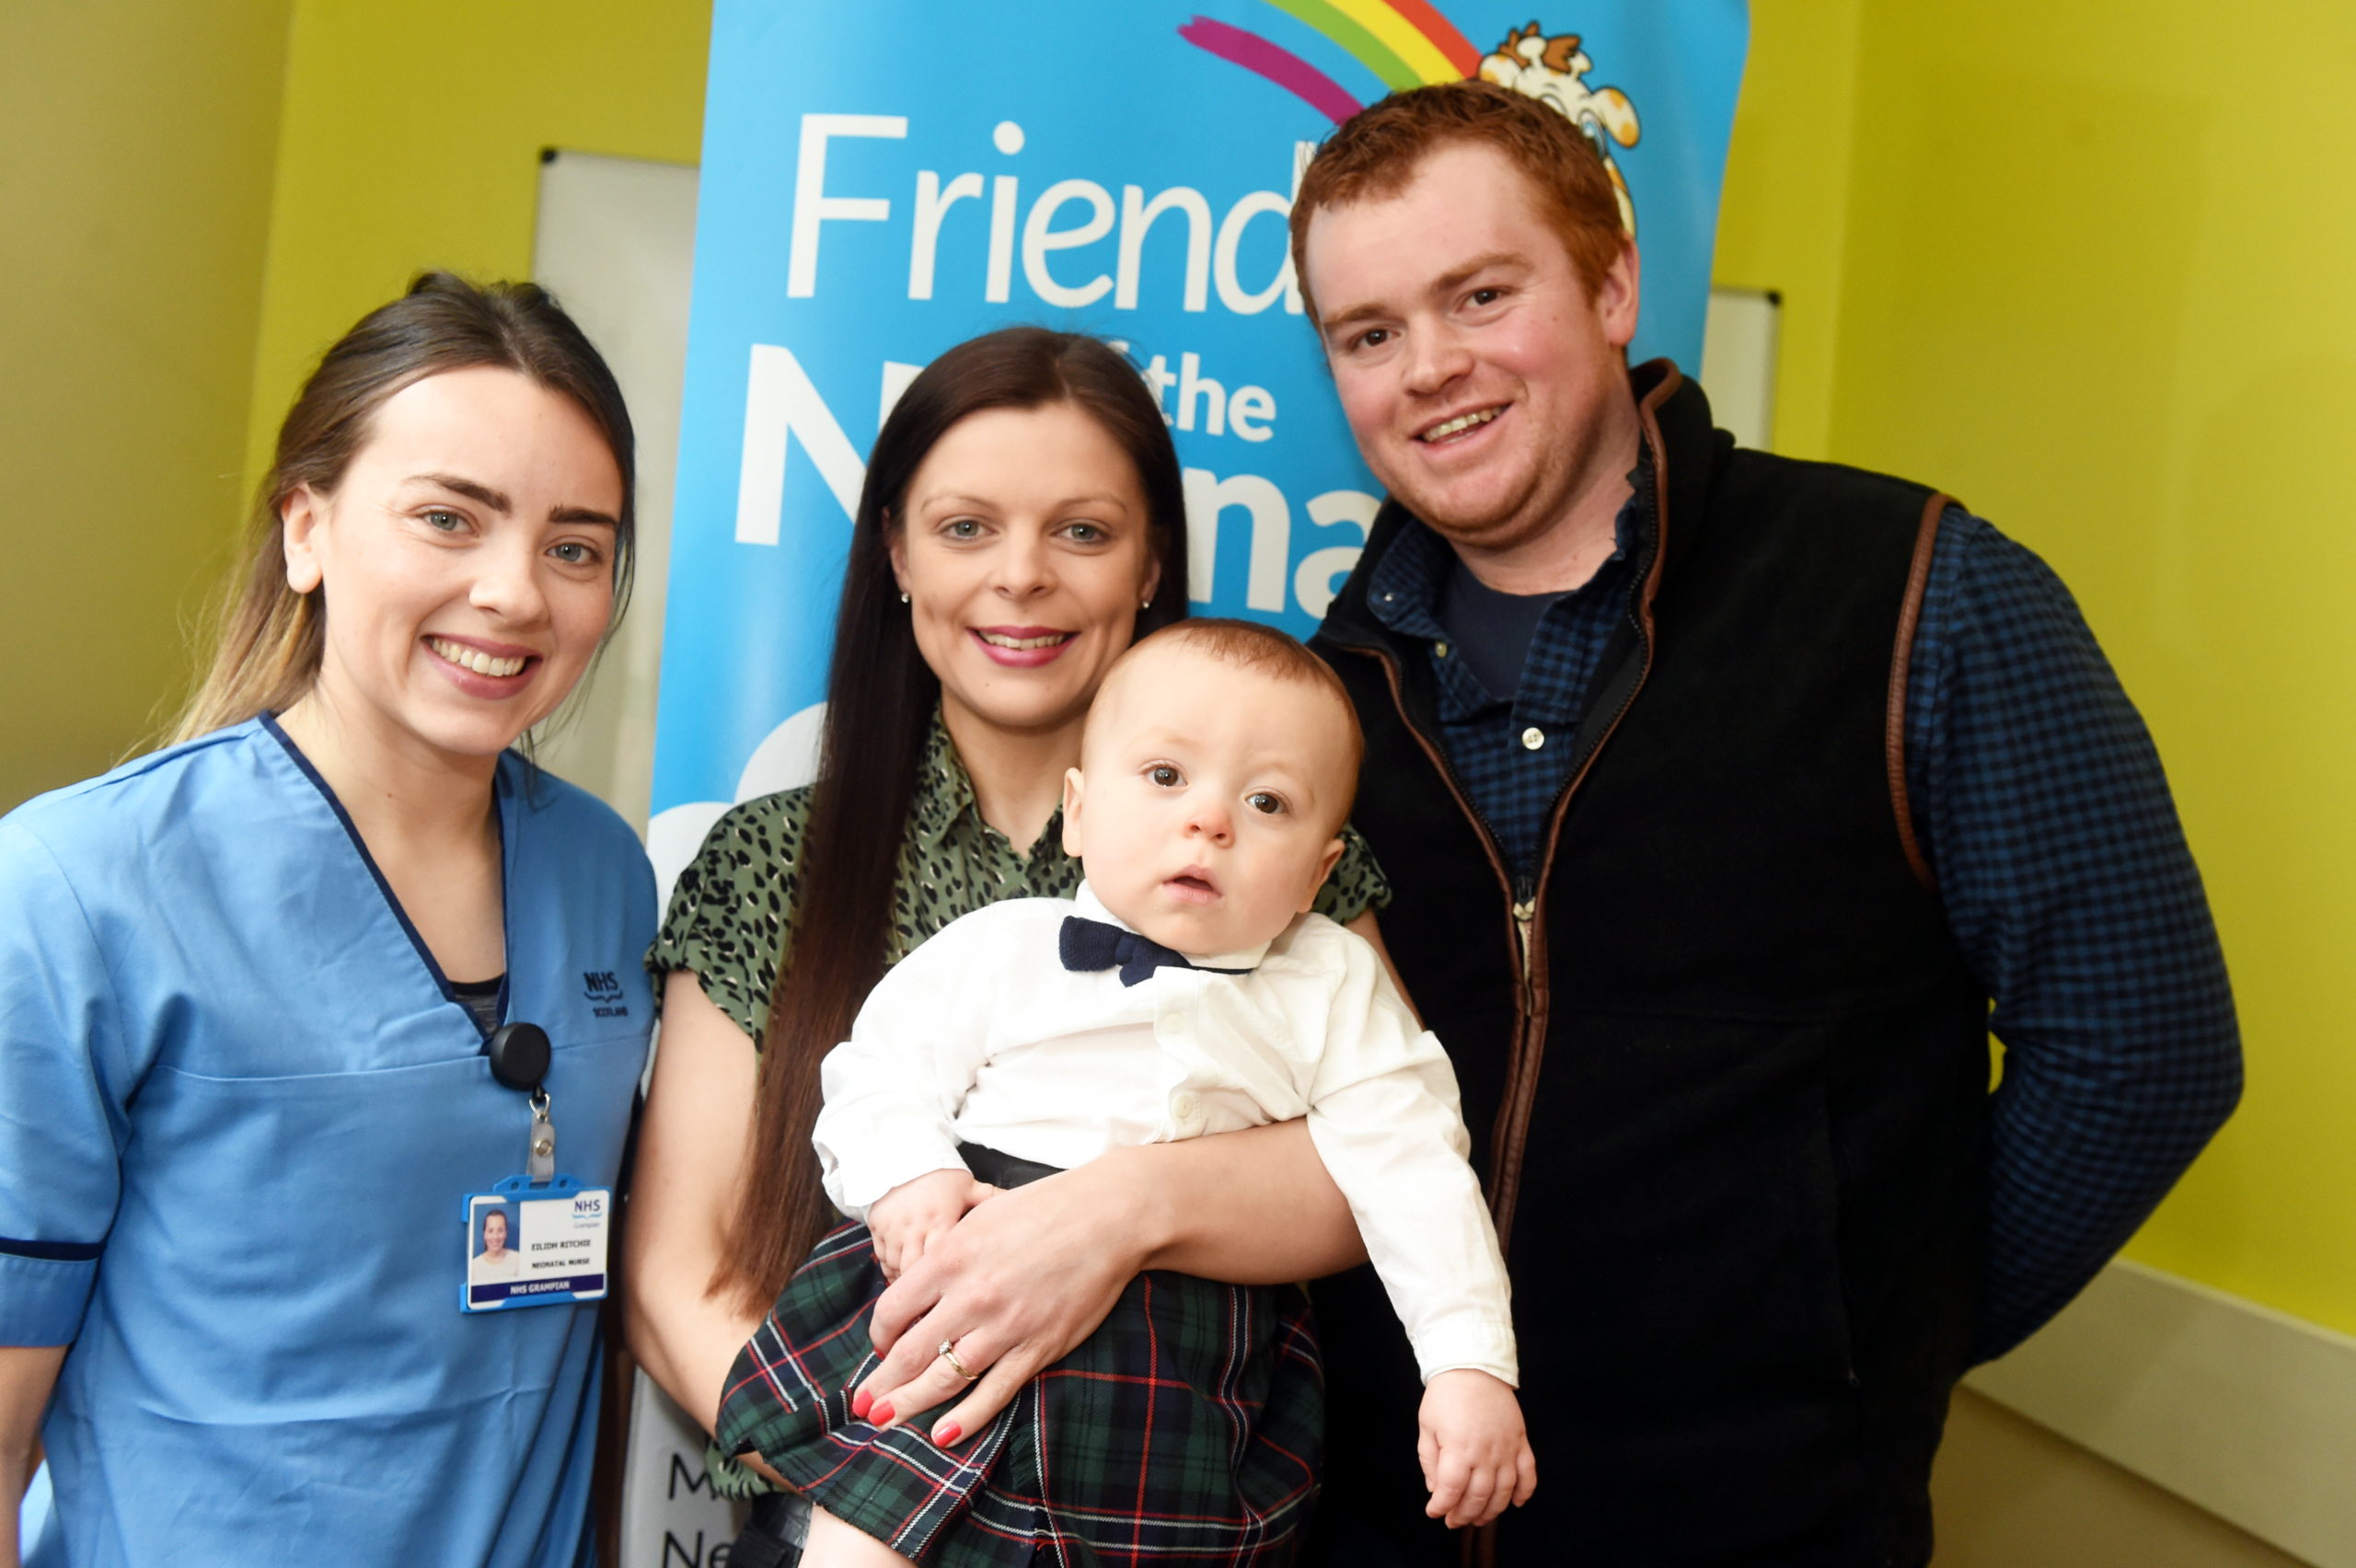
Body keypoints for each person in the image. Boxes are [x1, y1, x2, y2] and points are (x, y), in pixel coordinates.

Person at [1286, 82, 2243, 1564]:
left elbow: (2143, 1050)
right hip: (1369, 1524)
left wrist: (1867, 1339)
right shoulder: (1313, 699)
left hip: (1764, 1526)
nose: (1432, 368)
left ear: (1611, 285)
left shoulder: (1916, 594)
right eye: (1369, 333)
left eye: (1481, 293)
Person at [623, 329, 1388, 1565]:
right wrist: (873, 1493)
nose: (1021, 578)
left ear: (1151, 565)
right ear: (897, 556)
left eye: (1082, 532)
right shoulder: (774, 858)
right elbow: (676, 1276)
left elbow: (1375, 1169)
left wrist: (1124, 1214)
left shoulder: (1274, 844)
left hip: (1168, 1516)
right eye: (966, 527)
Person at [0, 273, 657, 1568]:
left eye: (575, 545)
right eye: (447, 519)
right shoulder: (81, 884)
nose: (516, 593)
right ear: (307, 528)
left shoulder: (602, 871)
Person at [715, 621, 1532, 1567]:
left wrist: (1468, 1366)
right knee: (868, 1534)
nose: (1209, 821)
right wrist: (908, 1177)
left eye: (1266, 801)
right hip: (965, 1265)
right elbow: (876, 1075)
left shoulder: (1334, 985)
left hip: (1183, 1357)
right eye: (1164, 778)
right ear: (1079, 810)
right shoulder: (1000, 946)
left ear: (1318, 870)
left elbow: (1417, 1171)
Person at [472, 1208, 524, 1285]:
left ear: (506, 1233)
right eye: (490, 1231)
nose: (495, 1237)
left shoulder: (518, 1260)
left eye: (500, 1230)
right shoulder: (474, 1267)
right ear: (485, 1234)